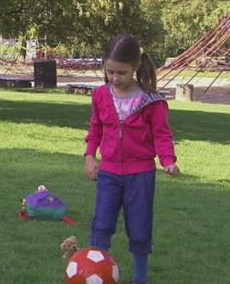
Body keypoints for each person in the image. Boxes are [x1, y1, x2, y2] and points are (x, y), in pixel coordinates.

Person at [84, 34, 180, 284]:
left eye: (121, 73)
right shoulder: (100, 96)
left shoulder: (151, 101)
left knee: (139, 226)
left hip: (141, 175)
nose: (115, 78)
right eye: (110, 72)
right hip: (109, 173)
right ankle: (96, 273)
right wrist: (90, 156)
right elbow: (96, 127)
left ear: (135, 68)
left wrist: (168, 160)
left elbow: (162, 135)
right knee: (102, 223)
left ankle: (140, 277)